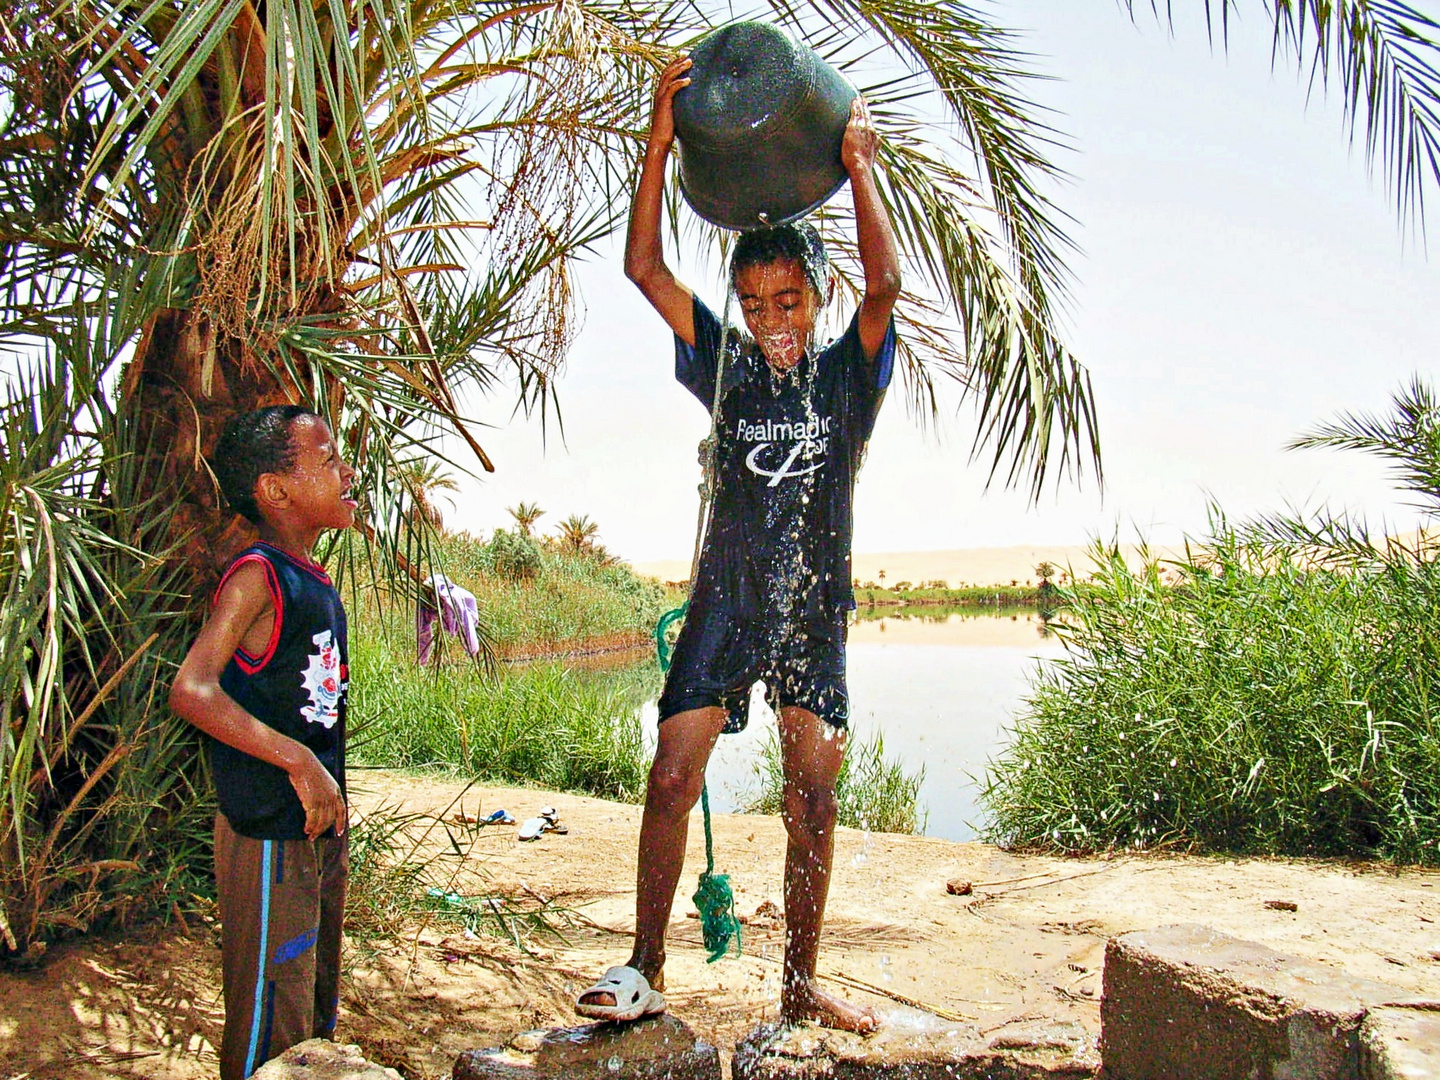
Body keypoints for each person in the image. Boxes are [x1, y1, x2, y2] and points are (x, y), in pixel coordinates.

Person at [576, 56, 901, 1033]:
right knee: (672, 775)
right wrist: (657, 142)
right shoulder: (724, 366)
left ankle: (800, 986)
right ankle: (644, 968)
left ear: (816, 295)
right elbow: (643, 269)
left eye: (787, 303)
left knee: (812, 800)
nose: (770, 323)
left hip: (810, 612)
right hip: (724, 602)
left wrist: (859, 163)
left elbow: (886, 283)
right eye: (755, 306)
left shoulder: (848, 380)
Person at [170, 406, 357, 1079]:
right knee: (270, 1024)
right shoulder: (259, 577)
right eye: (329, 459)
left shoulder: (310, 577)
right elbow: (192, 689)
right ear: (275, 490)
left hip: (314, 831)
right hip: (269, 835)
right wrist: (299, 761)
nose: (347, 471)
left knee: (310, 1005)